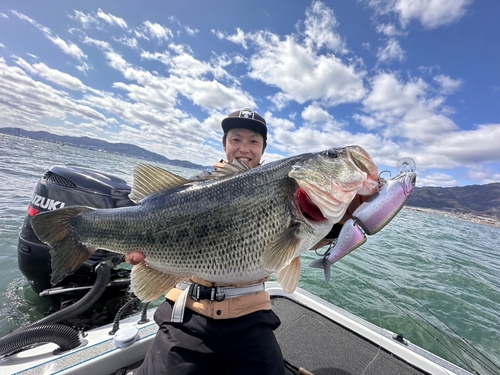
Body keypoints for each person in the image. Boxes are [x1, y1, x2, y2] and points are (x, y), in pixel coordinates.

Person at [126, 108, 369, 375]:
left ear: (263, 149)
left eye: (254, 141)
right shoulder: (197, 186)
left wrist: (340, 225)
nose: (244, 148)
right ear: (224, 144)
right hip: (187, 311)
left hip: (249, 316)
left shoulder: (284, 187)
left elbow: (296, 243)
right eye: (236, 139)